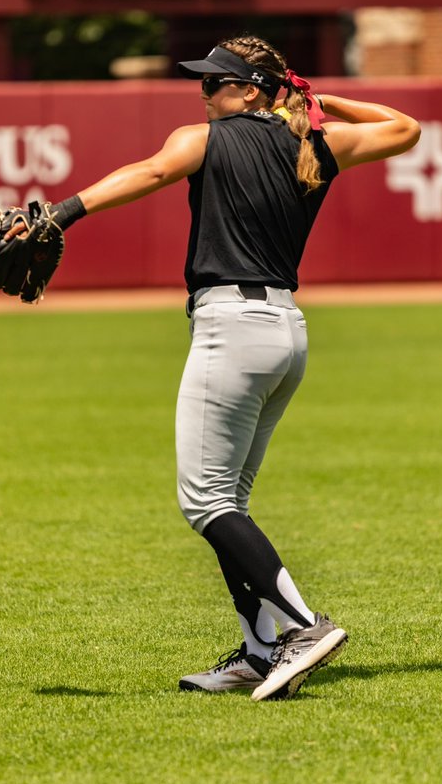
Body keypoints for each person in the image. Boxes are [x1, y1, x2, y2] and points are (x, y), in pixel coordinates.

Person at [44, 35, 420, 701]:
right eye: (204, 83)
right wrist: (317, 101)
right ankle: (259, 649)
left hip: (231, 329)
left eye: (218, 82)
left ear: (251, 88)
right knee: (230, 502)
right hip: (285, 335)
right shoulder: (316, 144)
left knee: (205, 501)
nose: (205, 92)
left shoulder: (205, 139)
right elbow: (404, 129)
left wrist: (61, 213)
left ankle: (303, 627)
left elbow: (151, 172)